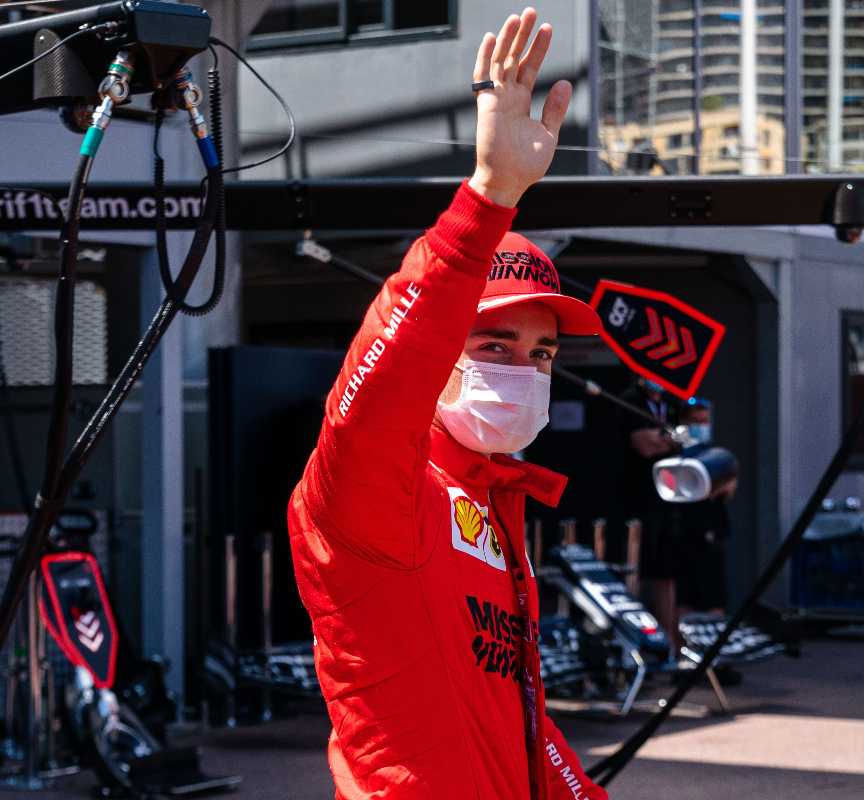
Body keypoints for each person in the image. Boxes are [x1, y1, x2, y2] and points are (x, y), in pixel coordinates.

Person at [287, 9, 607, 798]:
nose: (524, 371)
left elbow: (518, 716)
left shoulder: (492, 505)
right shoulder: (369, 501)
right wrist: (489, 197)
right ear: (437, 353)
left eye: (541, 354)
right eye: (493, 347)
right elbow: (381, 387)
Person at [619, 377, 681, 642]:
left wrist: (665, 439)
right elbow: (644, 445)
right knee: (634, 571)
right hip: (634, 500)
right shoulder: (629, 399)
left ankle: (670, 642)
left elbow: (691, 438)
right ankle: (634, 639)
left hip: (667, 500)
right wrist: (672, 439)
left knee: (667, 573)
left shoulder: (672, 402)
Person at [674, 398, 735, 619]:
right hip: (682, 529)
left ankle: (713, 646)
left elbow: (727, 487)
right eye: (695, 421)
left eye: (704, 421)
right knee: (683, 595)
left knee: (714, 594)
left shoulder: (715, 454)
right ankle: (681, 645)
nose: (700, 426)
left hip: (711, 530)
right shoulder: (675, 454)